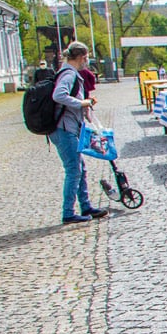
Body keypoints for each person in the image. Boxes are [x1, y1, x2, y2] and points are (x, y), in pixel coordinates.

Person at [50, 41, 107, 225]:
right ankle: (68, 212)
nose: (87, 61)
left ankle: (86, 206)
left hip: (71, 127)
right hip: (64, 129)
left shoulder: (70, 73)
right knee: (74, 169)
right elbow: (59, 95)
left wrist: (87, 107)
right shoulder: (68, 74)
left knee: (80, 168)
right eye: (86, 57)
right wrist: (82, 103)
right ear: (82, 57)